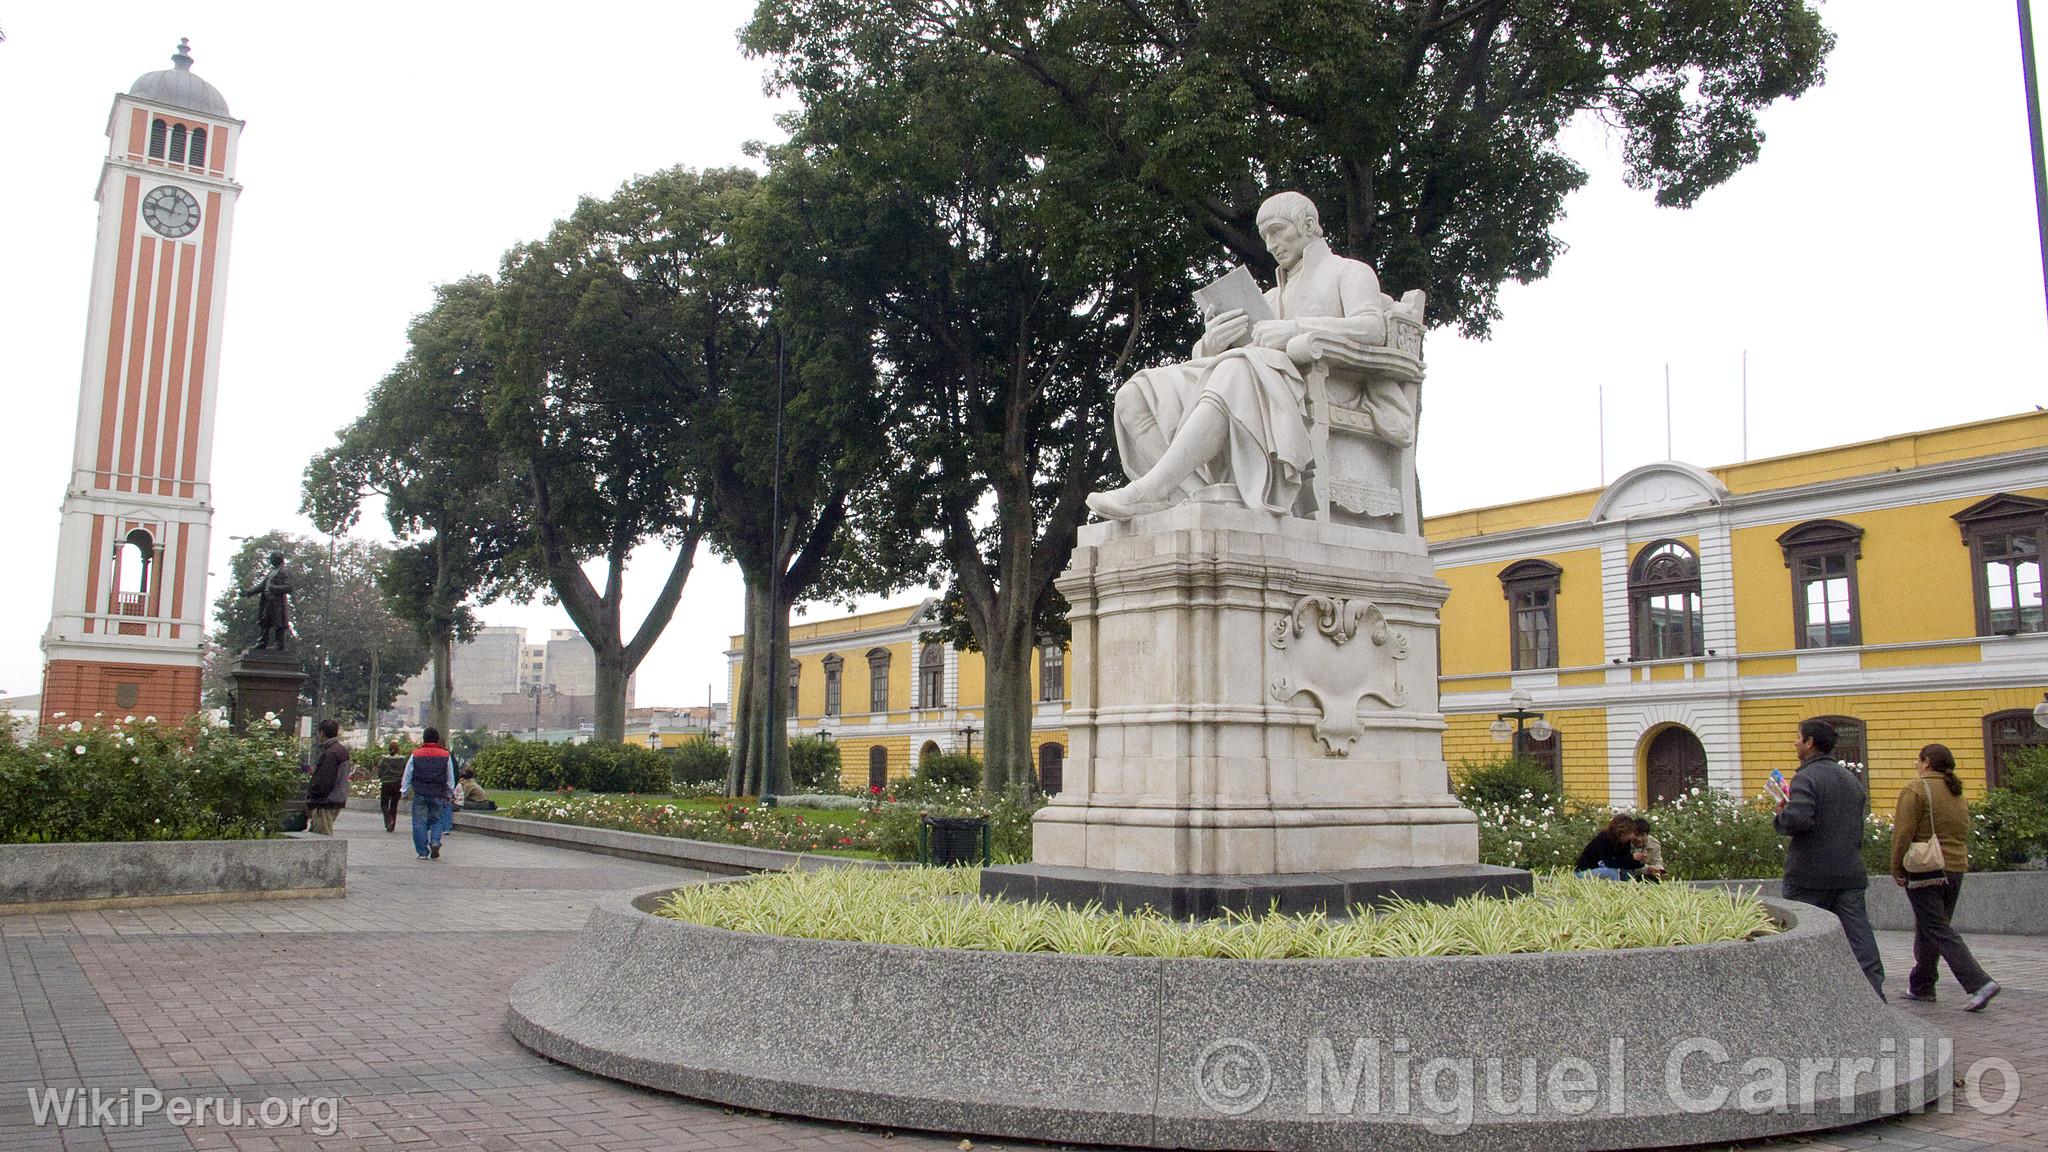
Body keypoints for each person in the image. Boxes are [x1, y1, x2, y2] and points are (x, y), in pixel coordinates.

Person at [1087, 191, 1413, 520]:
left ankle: (1148, 489)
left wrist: (1295, 329)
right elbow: (1242, 349)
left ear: (1308, 224)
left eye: (1277, 230)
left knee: (1237, 368)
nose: (1271, 245)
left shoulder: (1350, 272)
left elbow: (1371, 327)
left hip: (1327, 383)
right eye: (1264, 236)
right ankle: (1188, 495)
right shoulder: (1270, 297)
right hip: (1261, 379)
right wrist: (1212, 344)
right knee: (1136, 393)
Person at [1774, 718, 1884, 998]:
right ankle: (1873, 991)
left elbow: (1798, 820)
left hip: (1810, 876)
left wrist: (1782, 815)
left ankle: (1804, 994)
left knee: (1802, 935)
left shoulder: (1806, 777)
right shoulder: (1849, 778)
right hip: (1850, 871)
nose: (1795, 742)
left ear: (1810, 742)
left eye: (1798, 737)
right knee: (1859, 936)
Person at [1890, 743, 2000, 1011]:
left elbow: (1903, 833)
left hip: (1925, 867)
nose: (1917, 765)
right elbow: (1963, 827)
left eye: (1919, 760)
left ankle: (1979, 982)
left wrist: (1897, 867)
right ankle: (1922, 986)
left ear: (1926, 762)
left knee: (1937, 928)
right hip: (1955, 866)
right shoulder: (1956, 791)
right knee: (1932, 927)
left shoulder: (1916, 789)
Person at [400, 727, 457, 861]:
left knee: (419, 822)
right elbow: (450, 776)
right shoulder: (445, 755)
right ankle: (435, 841)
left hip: (420, 792)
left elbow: (407, 773)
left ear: (424, 738)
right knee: (437, 819)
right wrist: (450, 792)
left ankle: (422, 852)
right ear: (437, 739)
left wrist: (404, 791)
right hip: (438, 792)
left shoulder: (416, 754)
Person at [304, 719, 350, 836]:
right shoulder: (341, 750)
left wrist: (313, 797)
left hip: (325, 802)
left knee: (321, 835)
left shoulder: (331, 753)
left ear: (322, 733)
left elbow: (324, 780)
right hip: (336, 799)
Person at [1573, 814, 1646, 880]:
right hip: (1586, 872)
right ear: (1622, 833)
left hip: (1603, 869)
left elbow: (1623, 862)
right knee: (1611, 872)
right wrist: (1631, 857)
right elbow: (1609, 863)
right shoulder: (1603, 839)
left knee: (1626, 870)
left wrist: (1639, 862)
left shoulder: (1625, 842)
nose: (1632, 836)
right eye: (1631, 833)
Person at [375, 739, 407, 832]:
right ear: (398, 750)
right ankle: (392, 826)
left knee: (384, 804)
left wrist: (382, 777)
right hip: (397, 784)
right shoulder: (402, 760)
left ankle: (388, 820)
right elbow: (405, 772)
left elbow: (379, 772)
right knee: (394, 805)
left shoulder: (384, 759)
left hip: (386, 783)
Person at [1629, 816, 1667, 880]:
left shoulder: (1654, 845)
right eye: (1636, 835)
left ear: (1647, 835)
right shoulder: (1624, 843)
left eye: (1642, 835)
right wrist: (1647, 869)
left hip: (1645, 876)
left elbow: (1657, 862)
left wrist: (1660, 870)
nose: (1639, 839)